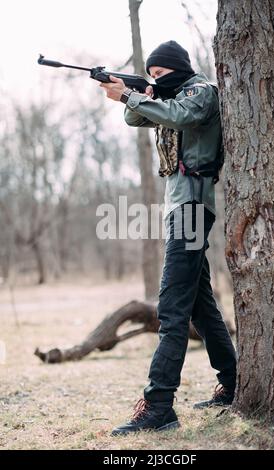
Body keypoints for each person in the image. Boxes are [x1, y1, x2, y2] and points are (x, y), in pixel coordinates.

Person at [99, 40, 236, 436]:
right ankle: (233, 381)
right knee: (199, 306)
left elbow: (179, 114)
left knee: (171, 307)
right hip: (182, 208)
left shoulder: (200, 91)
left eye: (160, 74)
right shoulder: (168, 95)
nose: (156, 80)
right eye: (152, 74)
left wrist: (131, 93)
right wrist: (135, 93)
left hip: (193, 207)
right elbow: (134, 120)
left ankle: (159, 404)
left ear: (176, 69)